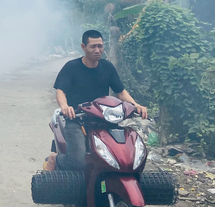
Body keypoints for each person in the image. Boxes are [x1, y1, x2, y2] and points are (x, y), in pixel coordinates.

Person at [44, 29, 148, 172]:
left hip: (104, 120)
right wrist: (65, 106)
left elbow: (121, 92)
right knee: (78, 162)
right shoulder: (72, 67)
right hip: (77, 121)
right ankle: (55, 158)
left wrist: (136, 105)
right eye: (93, 46)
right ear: (83, 47)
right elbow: (61, 91)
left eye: (100, 46)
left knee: (121, 156)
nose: (97, 50)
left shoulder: (107, 67)